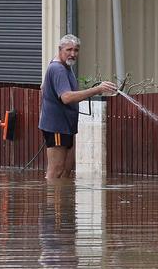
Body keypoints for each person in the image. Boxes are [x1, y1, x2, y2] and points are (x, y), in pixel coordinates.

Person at [39, 34, 117, 180]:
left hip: (66, 126)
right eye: (69, 50)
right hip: (57, 126)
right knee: (56, 170)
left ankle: (63, 202)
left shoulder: (64, 66)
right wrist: (97, 89)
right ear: (60, 49)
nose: (73, 54)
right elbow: (67, 97)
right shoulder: (58, 69)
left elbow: (43, 87)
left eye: (76, 50)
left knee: (66, 169)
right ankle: (51, 201)